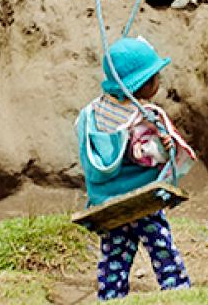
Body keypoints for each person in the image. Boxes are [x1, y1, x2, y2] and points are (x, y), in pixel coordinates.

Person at [76, 37, 195, 301]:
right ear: (145, 84)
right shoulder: (142, 117)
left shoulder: (95, 113)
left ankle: (110, 295)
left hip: (109, 203)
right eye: (156, 77)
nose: (158, 82)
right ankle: (176, 289)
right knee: (160, 246)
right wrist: (164, 145)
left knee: (116, 252)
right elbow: (146, 156)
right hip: (142, 198)